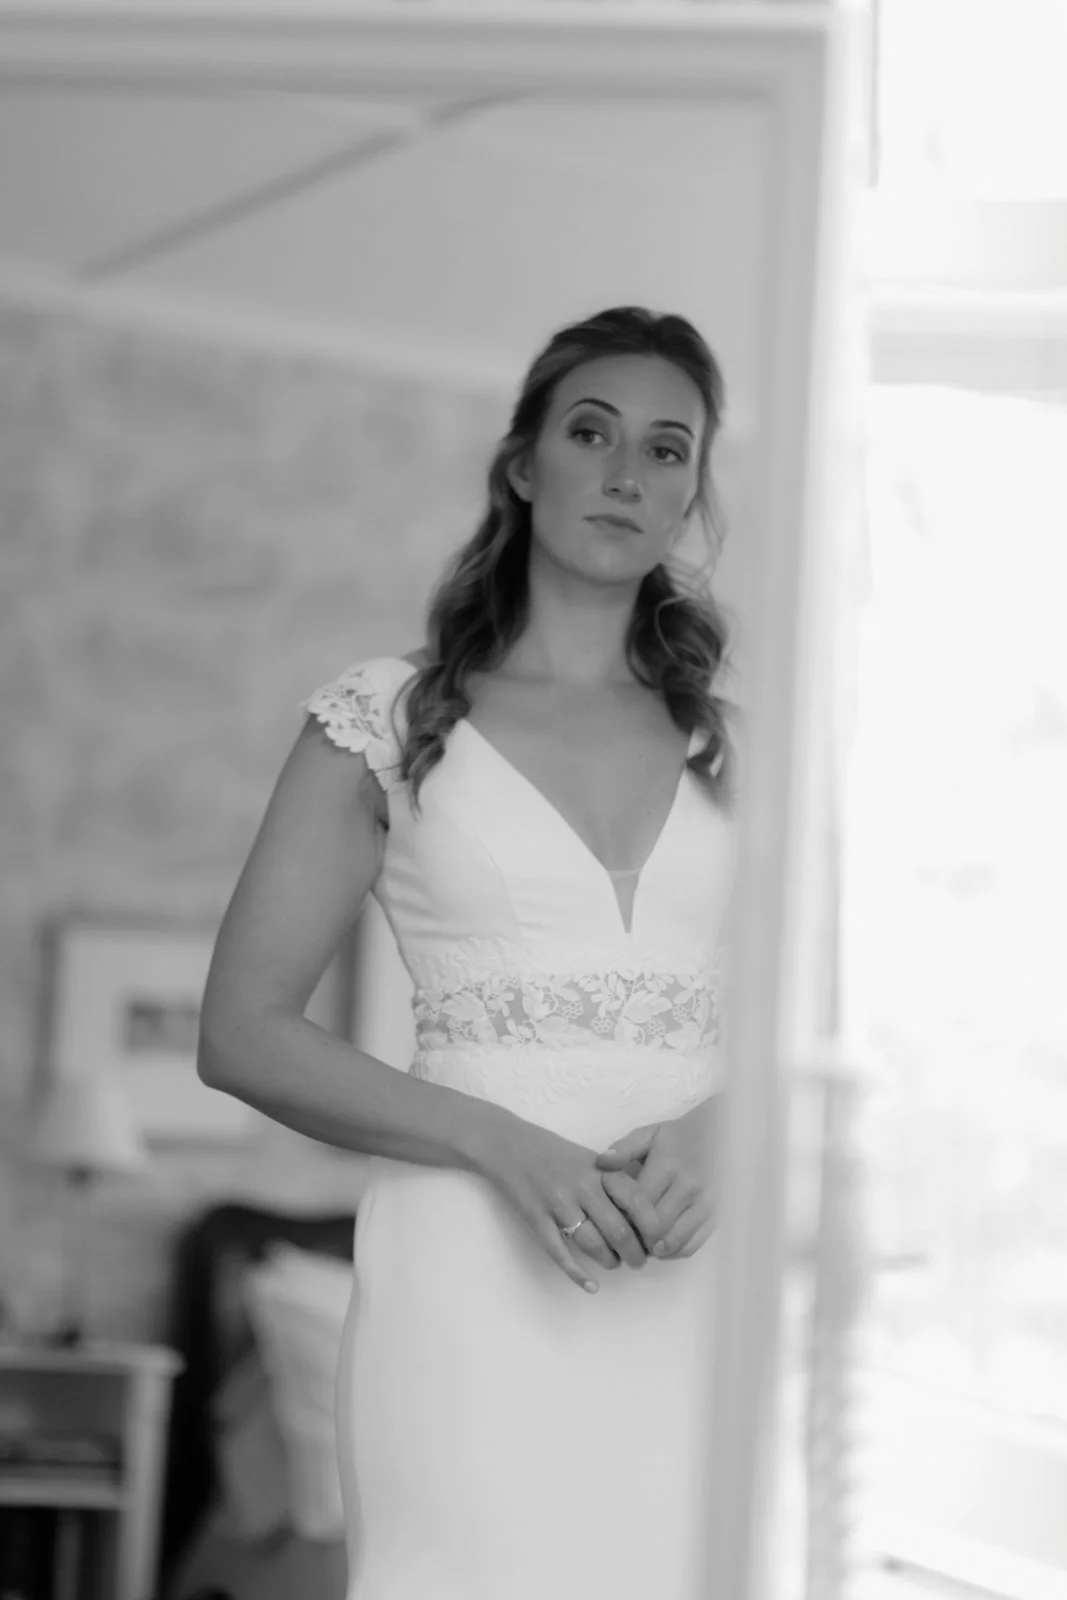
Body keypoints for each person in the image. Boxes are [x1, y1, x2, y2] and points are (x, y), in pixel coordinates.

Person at [199, 304, 737, 1600]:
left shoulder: (741, 744)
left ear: (690, 497)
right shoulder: (388, 715)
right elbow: (242, 1030)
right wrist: (506, 1144)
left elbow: (830, 1029)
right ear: (520, 463)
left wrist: (722, 1135)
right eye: (591, 430)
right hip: (467, 1281)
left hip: (699, 1291)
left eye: (669, 450)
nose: (626, 471)